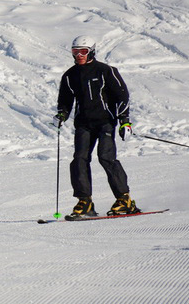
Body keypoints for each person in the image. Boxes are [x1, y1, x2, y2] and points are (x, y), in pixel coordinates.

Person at [56, 35, 140, 219]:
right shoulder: (70, 76)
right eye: (75, 52)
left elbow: (122, 96)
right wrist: (61, 114)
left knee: (106, 157)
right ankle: (85, 202)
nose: (79, 55)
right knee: (79, 159)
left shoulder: (105, 71)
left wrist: (124, 120)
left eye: (83, 52)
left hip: (105, 122)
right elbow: (65, 100)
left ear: (91, 51)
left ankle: (124, 199)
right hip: (84, 124)